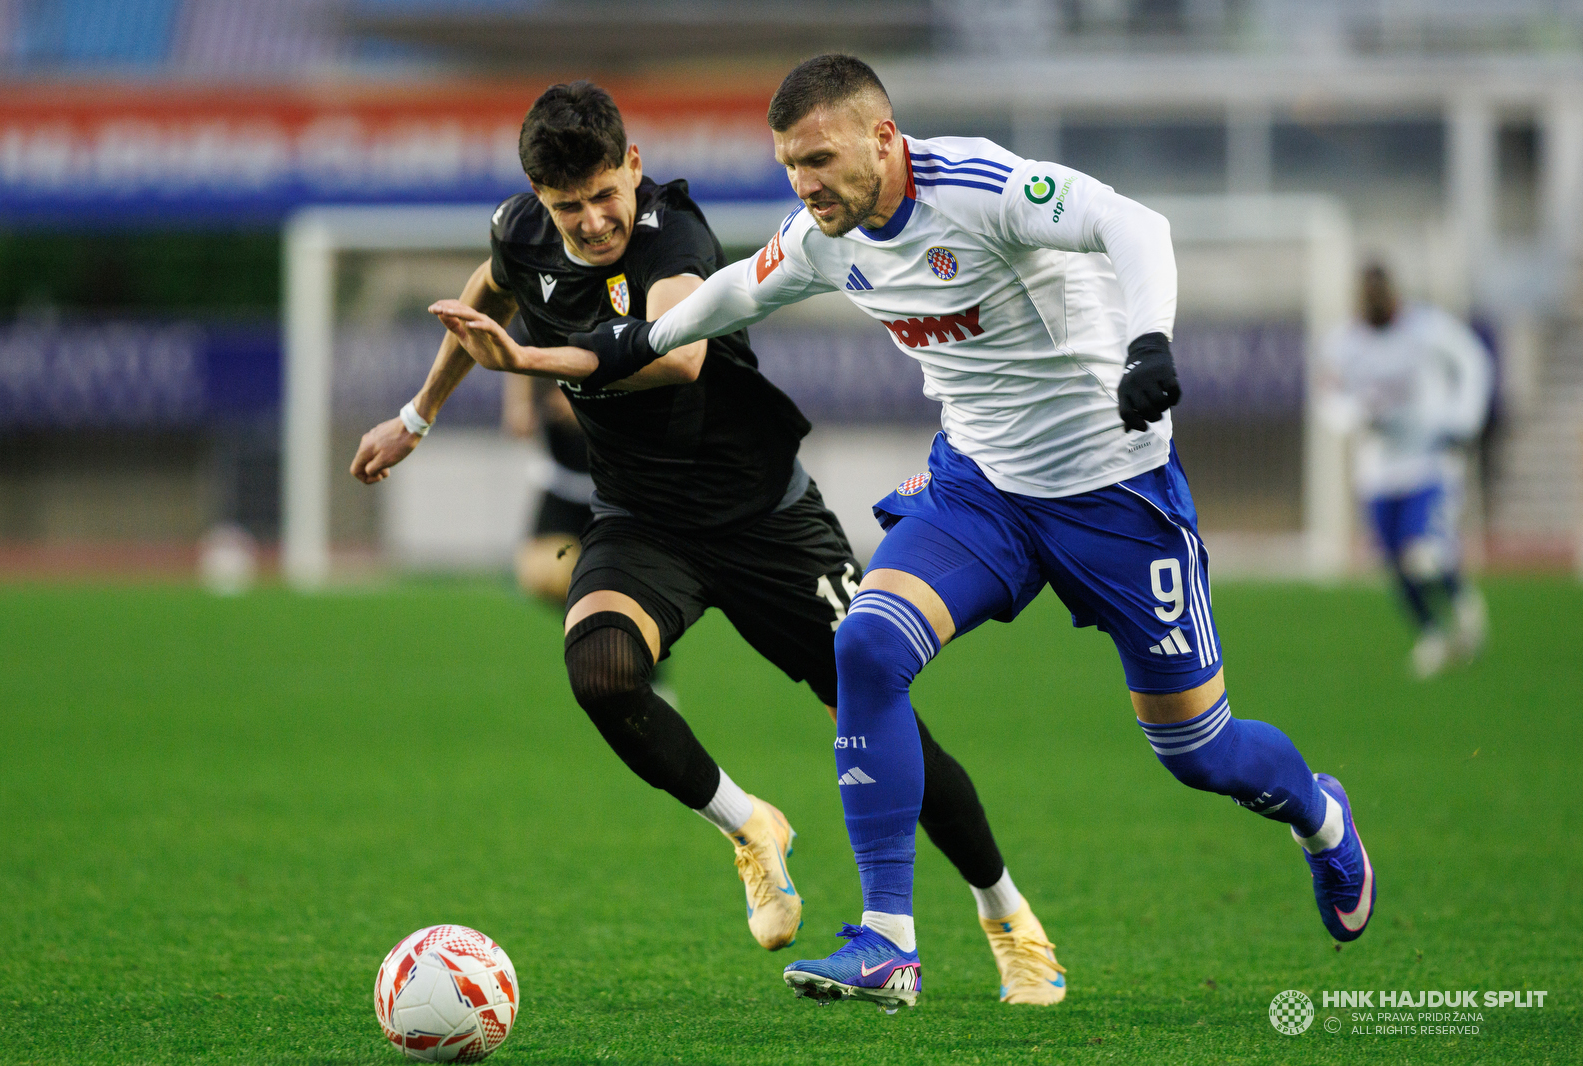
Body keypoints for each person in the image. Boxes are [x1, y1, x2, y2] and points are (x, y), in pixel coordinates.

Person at [563, 55, 1377, 1011]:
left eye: (819, 158)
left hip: (1116, 498)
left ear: (882, 136)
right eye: (790, 165)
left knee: (1198, 751)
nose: (804, 184)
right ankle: (888, 942)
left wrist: (1150, 341)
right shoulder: (826, 235)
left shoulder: (981, 187)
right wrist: (631, 346)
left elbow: (1134, 224)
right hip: (979, 492)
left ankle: (1322, 819)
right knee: (864, 643)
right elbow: (736, 291)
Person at [349, 80, 1067, 1005]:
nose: (595, 220)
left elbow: (677, 353)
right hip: (642, 524)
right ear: (539, 201)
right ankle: (748, 827)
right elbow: (484, 294)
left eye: (607, 194)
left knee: (878, 712)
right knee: (601, 673)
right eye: (571, 207)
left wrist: (527, 361)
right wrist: (418, 414)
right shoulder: (520, 232)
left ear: (633, 167)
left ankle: (1007, 915)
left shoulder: (674, 234)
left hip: (768, 521)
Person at [1321, 263, 1493, 678]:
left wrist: (1463, 418)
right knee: (1394, 562)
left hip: (1426, 461)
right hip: (1378, 469)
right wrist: (1353, 416)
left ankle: (1461, 599)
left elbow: (1473, 361)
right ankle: (1432, 633)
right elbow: (1329, 396)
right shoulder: (1344, 342)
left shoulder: (1428, 329)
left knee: (1422, 553)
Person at [501, 346, 594, 607]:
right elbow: (519, 348)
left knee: (622, 580)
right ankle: (603, 622)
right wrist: (520, 405)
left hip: (617, 485)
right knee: (539, 571)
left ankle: (619, 626)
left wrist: (585, 408)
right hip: (563, 481)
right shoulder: (543, 314)